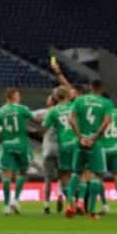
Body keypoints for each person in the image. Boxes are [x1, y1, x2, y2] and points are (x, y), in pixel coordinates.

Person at [69, 80, 114, 220]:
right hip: (96, 143)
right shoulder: (106, 103)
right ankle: (90, 212)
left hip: (80, 141)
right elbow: (107, 121)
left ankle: (71, 205)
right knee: (97, 175)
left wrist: (80, 136)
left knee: (76, 173)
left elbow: (71, 119)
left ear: (90, 87)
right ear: (101, 88)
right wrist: (94, 138)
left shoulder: (80, 100)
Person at [0, 88, 34, 215]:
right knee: (23, 172)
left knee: (6, 175)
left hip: (7, 145)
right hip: (21, 145)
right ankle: (15, 199)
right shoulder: (23, 109)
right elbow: (34, 119)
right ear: (13, 97)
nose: (19, 97)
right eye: (18, 95)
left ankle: (6, 205)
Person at [38, 86, 74, 217]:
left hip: (50, 148)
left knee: (49, 178)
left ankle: (47, 205)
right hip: (68, 145)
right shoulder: (74, 107)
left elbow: (41, 126)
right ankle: (70, 199)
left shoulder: (50, 112)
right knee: (68, 175)